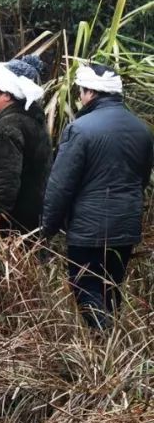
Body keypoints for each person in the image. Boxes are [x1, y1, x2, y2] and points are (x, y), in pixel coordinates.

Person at [42, 64, 154, 329]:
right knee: (111, 286)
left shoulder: (79, 130)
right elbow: (141, 178)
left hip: (88, 230)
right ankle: (113, 349)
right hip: (126, 226)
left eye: (81, 91)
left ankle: (102, 341)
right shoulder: (143, 130)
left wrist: (46, 228)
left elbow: (60, 186)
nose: (80, 97)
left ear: (91, 92)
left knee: (85, 287)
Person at [0, 56, 52, 237]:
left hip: (9, 217)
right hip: (31, 212)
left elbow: (7, 174)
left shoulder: (8, 128)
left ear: (7, 94)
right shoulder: (33, 119)